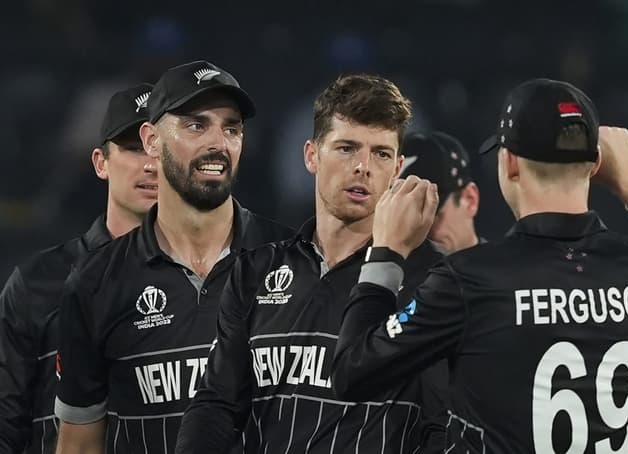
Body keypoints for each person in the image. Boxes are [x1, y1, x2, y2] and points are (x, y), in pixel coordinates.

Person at [330, 78, 628, 453]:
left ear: (510, 163)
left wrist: (386, 251)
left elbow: (352, 372)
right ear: (596, 164)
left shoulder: (471, 279)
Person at [175, 74, 444, 454]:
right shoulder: (255, 271)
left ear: (398, 168)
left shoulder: (435, 281)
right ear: (311, 156)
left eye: (381, 154)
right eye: (347, 148)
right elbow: (218, 406)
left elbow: (443, 425)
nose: (363, 167)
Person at [54, 61, 293, 453]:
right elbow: (79, 445)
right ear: (151, 140)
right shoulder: (95, 281)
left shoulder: (291, 259)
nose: (218, 143)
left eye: (231, 128)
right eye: (196, 125)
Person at [0, 83, 157, 454]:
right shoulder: (38, 283)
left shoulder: (219, 281)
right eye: (134, 148)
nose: (150, 164)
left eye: (161, 149)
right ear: (101, 163)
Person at [400, 131, 481, 253]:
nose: (418, 234)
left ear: (470, 200)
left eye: (433, 215)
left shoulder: (506, 264)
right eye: (404, 219)